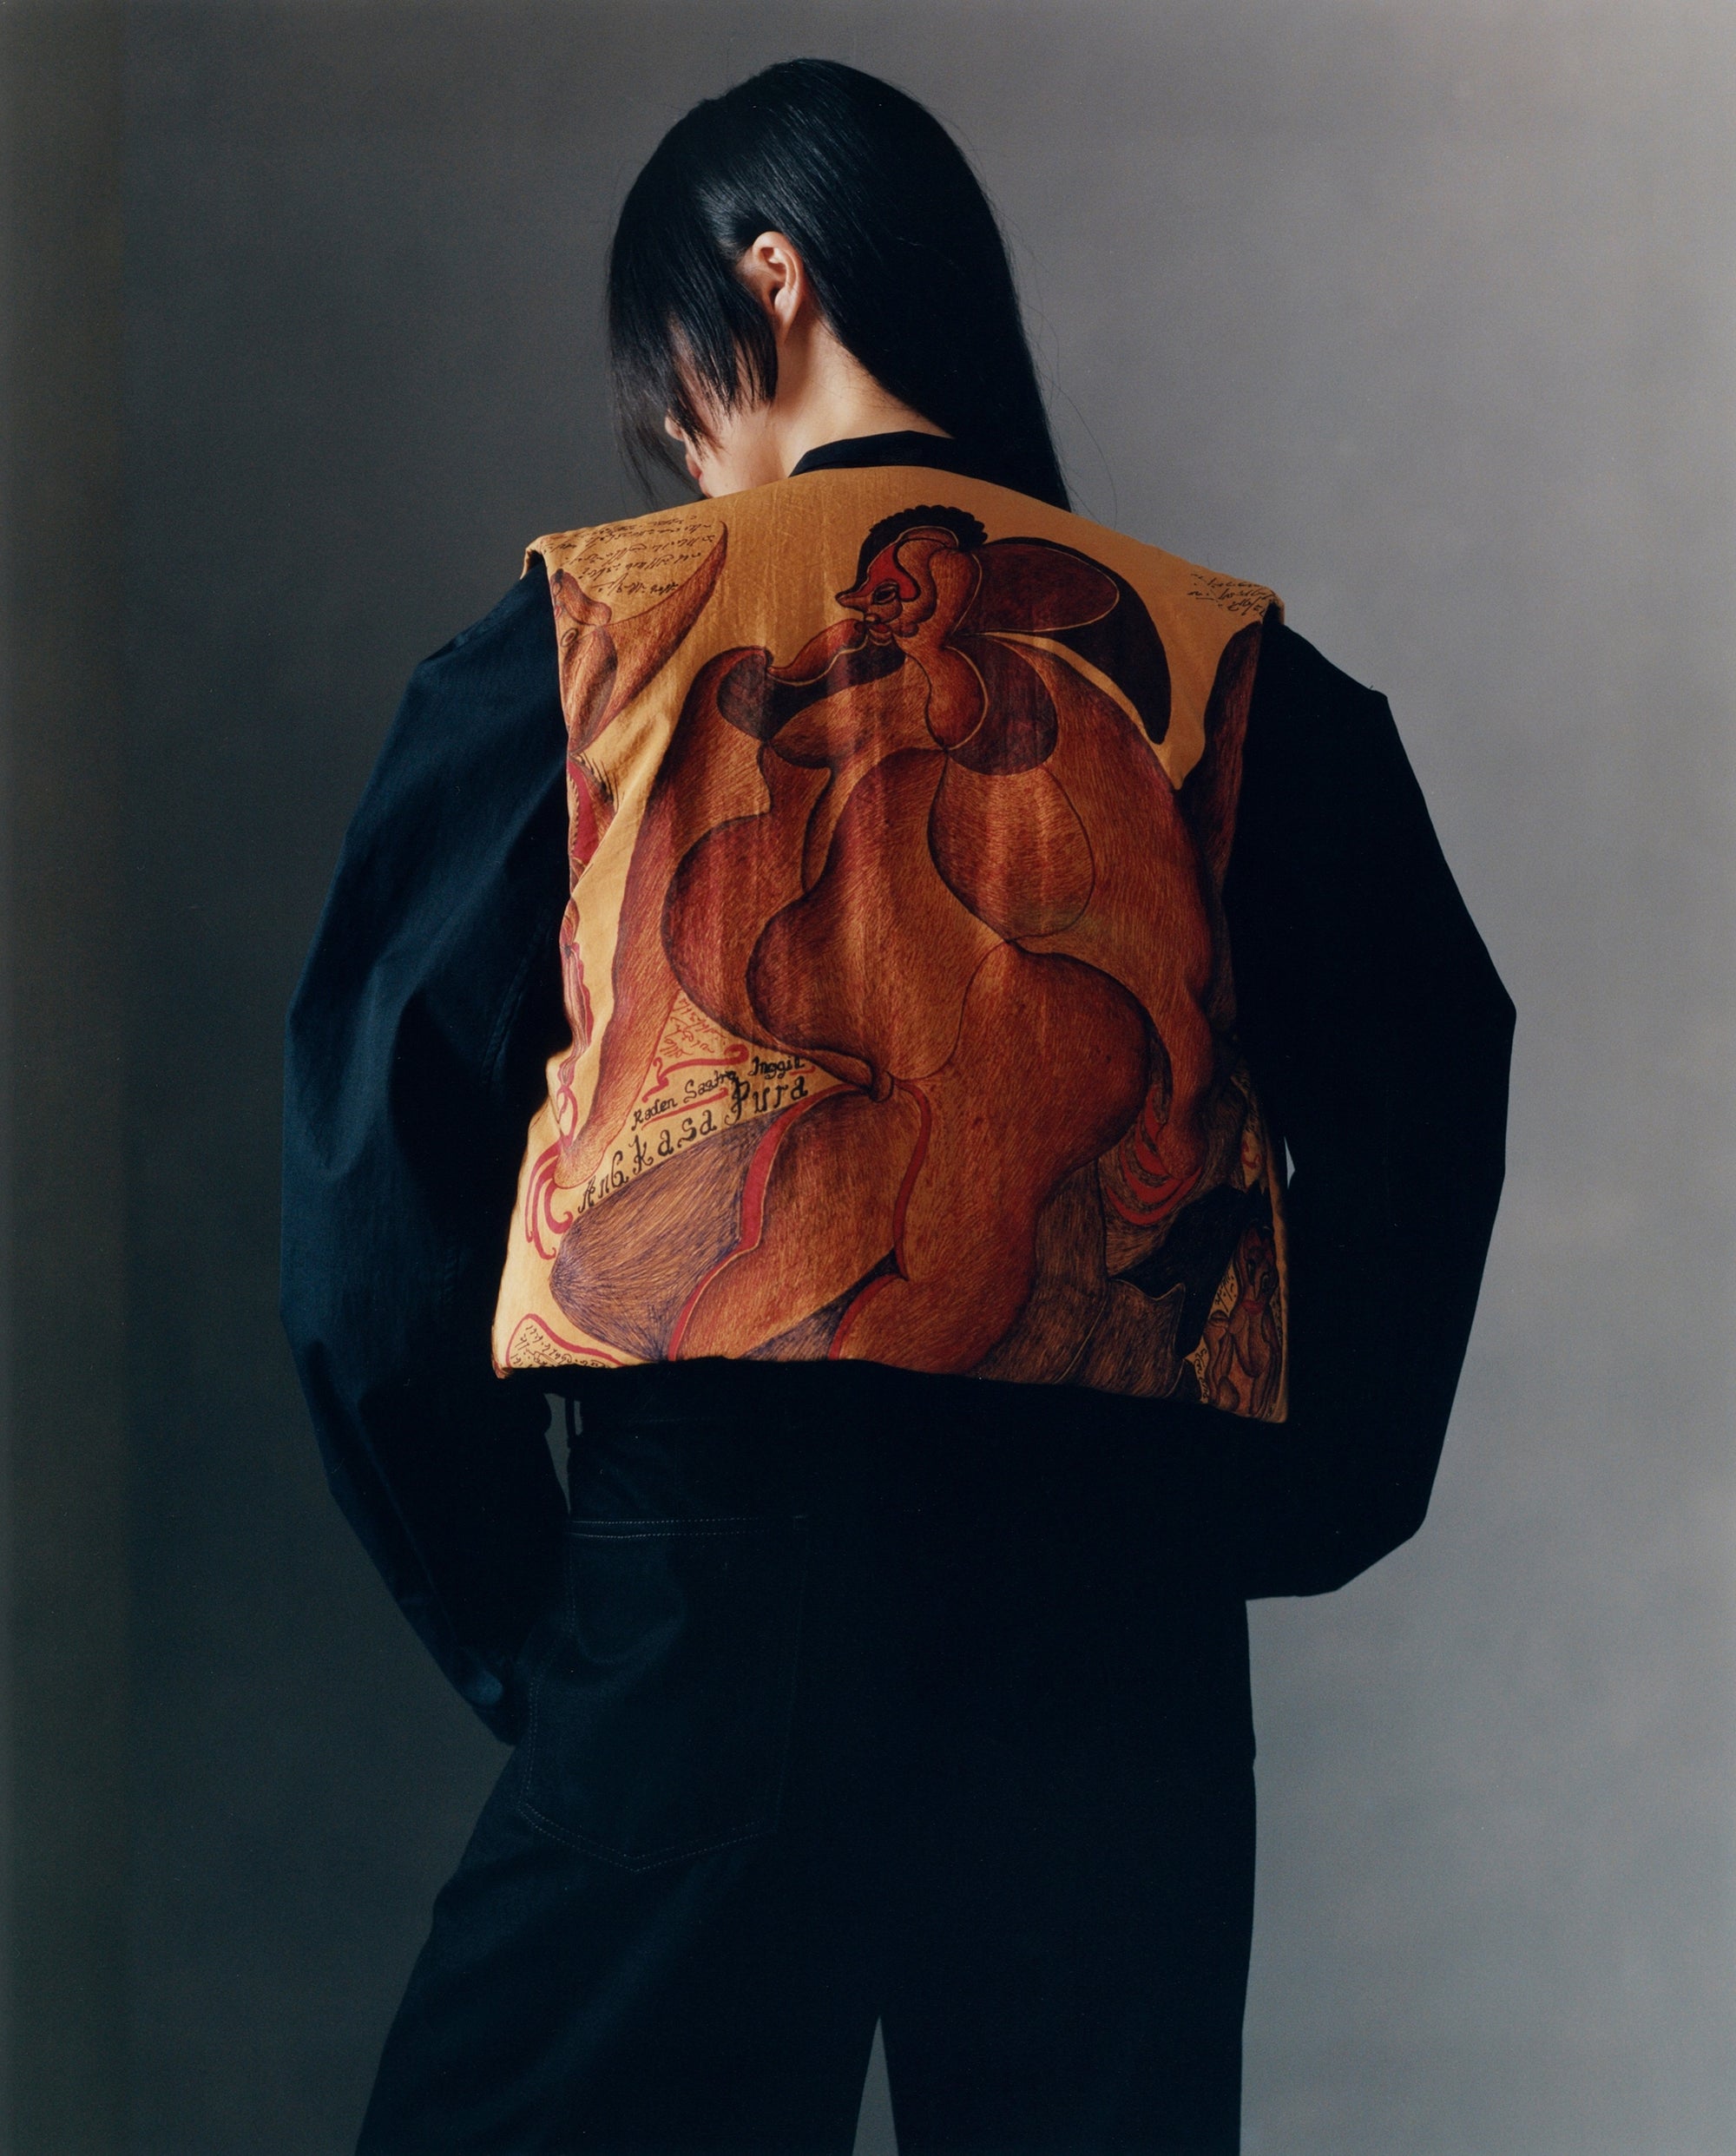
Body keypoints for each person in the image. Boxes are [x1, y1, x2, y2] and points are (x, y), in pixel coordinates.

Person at [281, 57, 1514, 2156]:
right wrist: (1294, 1501)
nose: (688, 464)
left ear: (766, 285)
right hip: (1112, 1603)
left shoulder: (582, 646)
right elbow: (1427, 1081)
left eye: (680, 406)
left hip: (709, 1581)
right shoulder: (1228, 673)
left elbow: (367, 1204)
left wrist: (544, 1636)